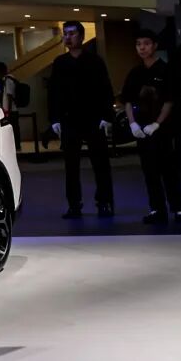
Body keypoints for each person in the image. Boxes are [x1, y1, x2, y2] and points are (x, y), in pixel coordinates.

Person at [48, 21, 115, 219]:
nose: (68, 37)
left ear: (82, 36)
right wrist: (55, 119)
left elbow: (105, 89)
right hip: (69, 119)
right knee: (71, 165)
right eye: (65, 33)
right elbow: (54, 92)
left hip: (93, 118)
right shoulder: (60, 62)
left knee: (100, 163)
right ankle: (74, 204)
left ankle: (104, 202)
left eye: (72, 33)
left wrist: (106, 116)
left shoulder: (95, 61)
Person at [122, 29, 181, 224]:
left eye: (146, 43)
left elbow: (169, 100)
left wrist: (157, 123)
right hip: (142, 130)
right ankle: (157, 209)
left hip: (163, 130)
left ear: (155, 45)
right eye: (138, 44)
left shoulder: (165, 70)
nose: (142, 48)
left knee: (168, 170)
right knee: (149, 171)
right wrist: (132, 123)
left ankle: (178, 208)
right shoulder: (135, 73)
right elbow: (127, 100)